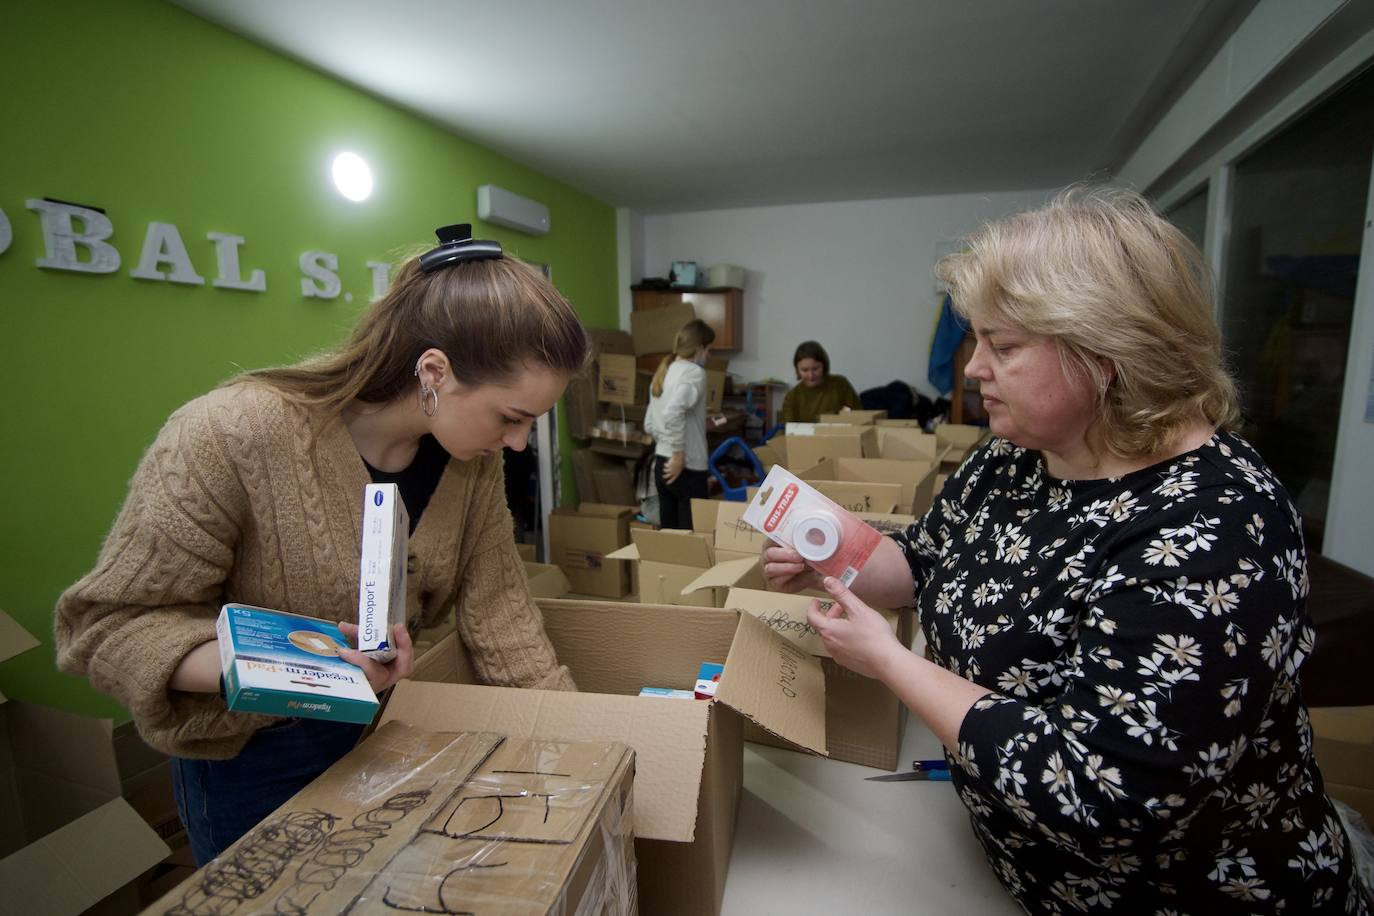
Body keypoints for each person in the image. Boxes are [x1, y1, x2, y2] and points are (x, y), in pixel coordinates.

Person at [763, 188, 1370, 913]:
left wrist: (892, 661)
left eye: (1005, 346)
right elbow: (928, 561)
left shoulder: (1216, 528)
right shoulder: (1017, 455)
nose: (972, 369)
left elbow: (1102, 798)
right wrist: (843, 554)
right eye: (977, 339)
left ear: (1104, 354)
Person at [54, 224, 586, 866]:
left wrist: (585, 744)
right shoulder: (230, 435)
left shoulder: (470, 462)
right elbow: (111, 628)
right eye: (511, 417)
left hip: (394, 733)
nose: (520, 444)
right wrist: (299, 670)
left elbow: (501, 613)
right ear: (434, 372)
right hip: (255, 762)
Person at [643, 319, 715, 529]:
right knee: (692, 542)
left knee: (672, 540)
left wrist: (698, 426)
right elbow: (673, 412)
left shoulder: (666, 370)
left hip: (662, 464)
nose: (710, 356)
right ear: (700, 348)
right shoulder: (694, 372)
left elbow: (650, 423)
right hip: (686, 468)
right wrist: (679, 455)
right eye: (710, 349)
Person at [777, 340, 860, 423]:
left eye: (815, 369)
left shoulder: (840, 384)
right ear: (797, 370)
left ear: (824, 366)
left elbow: (859, 416)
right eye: (805, 370)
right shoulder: (792, 397)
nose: (811, 375)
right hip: (804, 436)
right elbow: (787, 429)